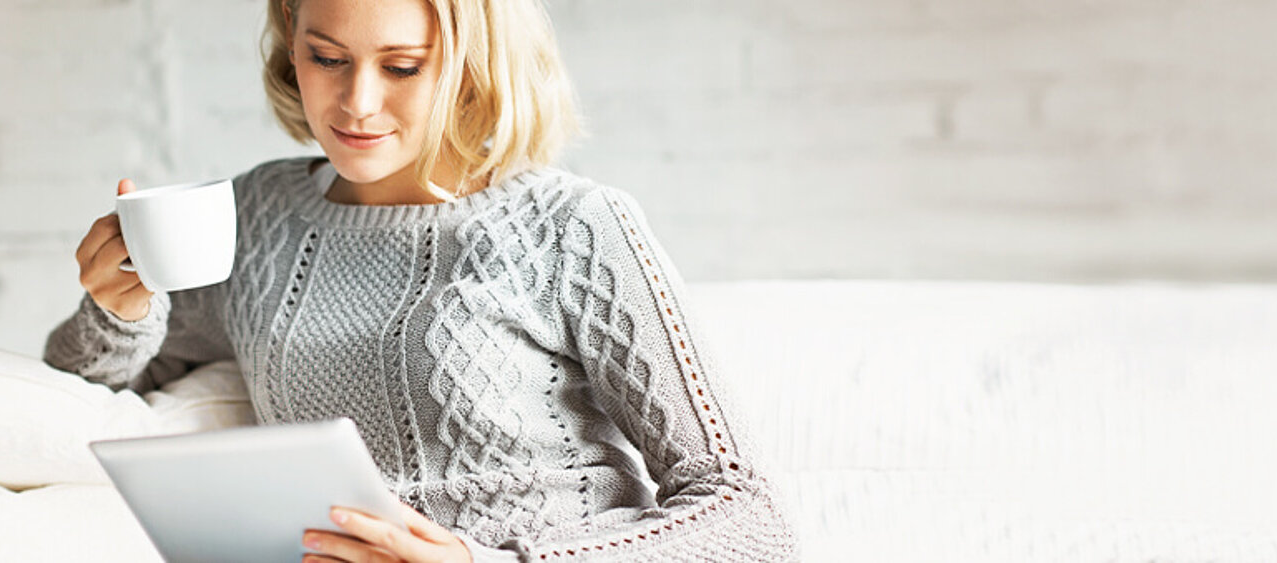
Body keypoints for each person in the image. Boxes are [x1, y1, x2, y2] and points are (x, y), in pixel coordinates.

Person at [46, 0, 798, 560]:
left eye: (403, 66)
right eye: (326, 57)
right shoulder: (256, 217)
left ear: (477, 66)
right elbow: (78, 397)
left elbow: (750, 515)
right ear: (290, 52)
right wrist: (119, 309)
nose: (356, 103)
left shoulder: (572, 225)